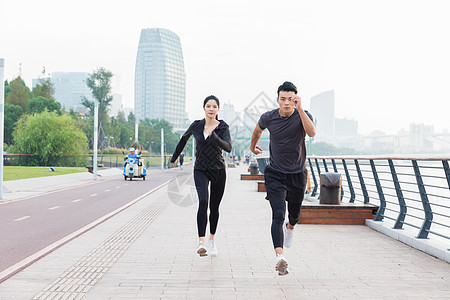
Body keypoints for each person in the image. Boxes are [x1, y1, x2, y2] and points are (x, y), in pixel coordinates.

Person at [250, 81, 316, 276]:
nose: (287, 102)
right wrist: (253, 146)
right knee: (278, 213)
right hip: (275, 173)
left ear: (295, 99)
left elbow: (311, 133)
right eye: (283, 99)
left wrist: (301, 109)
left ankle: (291, 226)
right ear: (277, 99)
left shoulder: (303, 116)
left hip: (297, 174)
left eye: (291, 99)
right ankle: (280, 257)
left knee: (294, 214)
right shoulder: (268, 117)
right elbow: (257, 131)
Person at [171, 95, 232, 257]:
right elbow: (183, 139)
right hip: (200, 169)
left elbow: (228, 147)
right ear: (204, 108)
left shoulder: (223, 127)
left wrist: (215, 137)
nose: (211, 109)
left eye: (214, 107)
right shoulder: (197, 126)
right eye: (208, 106)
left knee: (214, 207)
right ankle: (201, 242)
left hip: (218, 170)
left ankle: (212, 240)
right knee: (203, 201)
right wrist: (174, 157)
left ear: (218, 109)